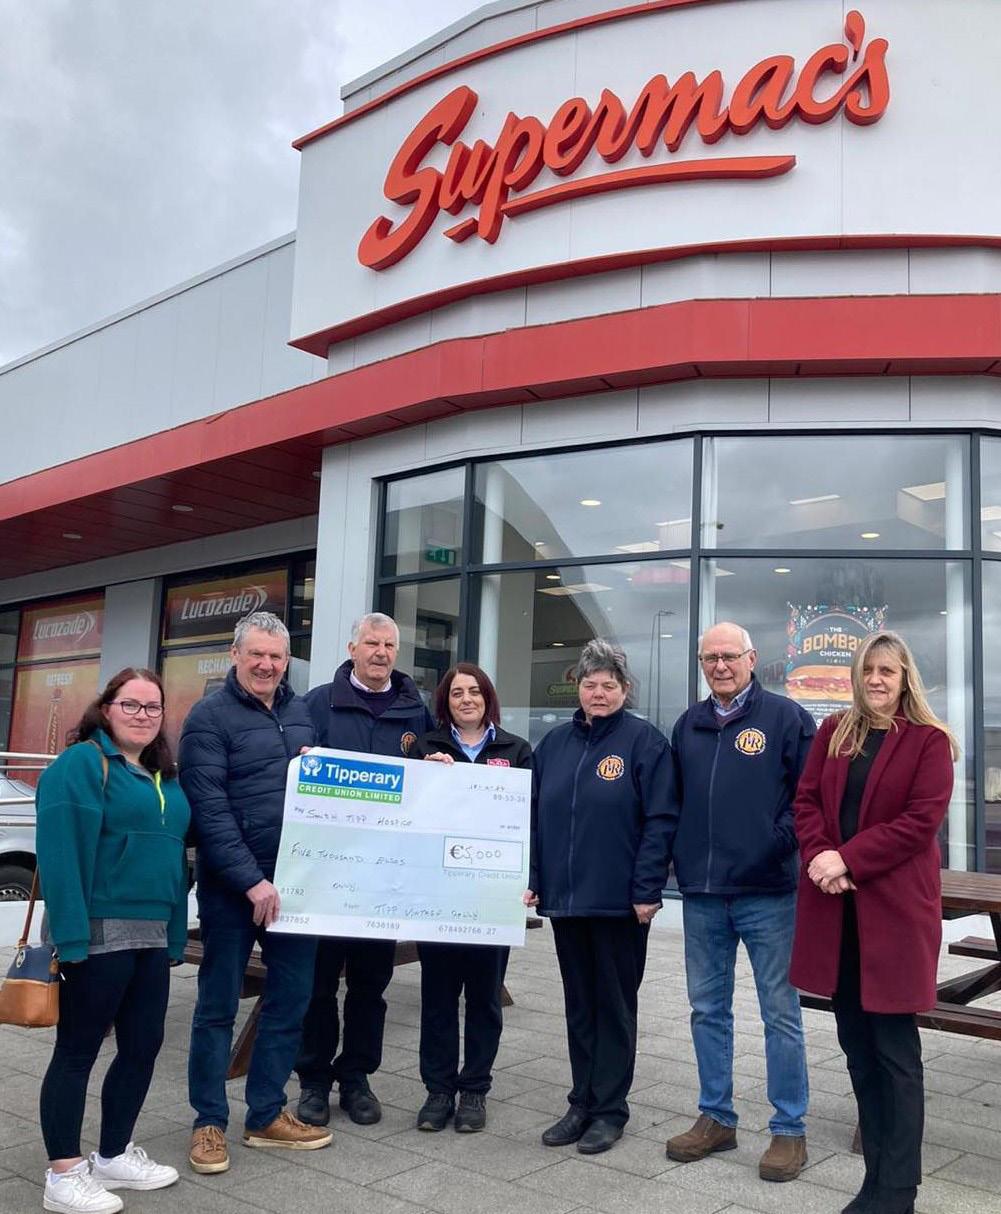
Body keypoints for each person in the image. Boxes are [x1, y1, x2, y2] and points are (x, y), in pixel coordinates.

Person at [790, 631, 956, 1214]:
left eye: (888, 670)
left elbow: (919, 822)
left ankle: (899, 1191)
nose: (877, 680)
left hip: (893, 919)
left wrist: (848, 859)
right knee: (857, 1049)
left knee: (895, 1055)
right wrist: (820, 857)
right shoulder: (835, 732)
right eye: (868, 670)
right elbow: (806, 802)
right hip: (838, 916)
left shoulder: (930, 742)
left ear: (906, 677)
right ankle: (875, 1182)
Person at [666, 622, 815, 1183]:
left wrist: (771, 844)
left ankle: (789, 1129)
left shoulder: (786, 719)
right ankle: (717, 1117)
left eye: (730, 656)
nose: (720, 666)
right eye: (710, 658)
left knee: (780, 1013)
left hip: (768, 892)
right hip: (704, 895)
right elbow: (673, 801)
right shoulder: (688, 724)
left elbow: (808, 800)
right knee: (707, 1010)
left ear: (752, 659)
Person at [181, 611, 328, 1176]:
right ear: (235, 656)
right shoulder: (207, 717)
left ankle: (266, 1113)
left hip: (295, 886)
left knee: (291, 1001)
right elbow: (209, 810)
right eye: (257, 654)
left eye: (276, 656)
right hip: (232, 889)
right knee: (217, 1007)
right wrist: (251, 880)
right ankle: (209, 1122)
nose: (266, 665)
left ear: (287, 660)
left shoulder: (302, 713)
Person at [36, 668, 189, 1214]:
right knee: (77, 1051)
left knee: (143, 1046)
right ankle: (63, 1174)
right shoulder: (82, 763)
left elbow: (173, 856)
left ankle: (114, 1154)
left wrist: (175, 932)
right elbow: (60, 855)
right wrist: (71, 937)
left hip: (151, 936)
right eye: (131, 704)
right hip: (98, 933)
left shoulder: (162, 774)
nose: (143, 715)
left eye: (153, 707)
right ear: (106, 708)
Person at [524, 639, 675, 1155]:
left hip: (619, 904)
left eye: (609, 685)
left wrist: (647, 889)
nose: (599, 693)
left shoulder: (644, 743)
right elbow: (535, 817)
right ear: (579, 689)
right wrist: (536, 877)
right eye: (590, 685)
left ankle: (610, 1110)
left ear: (625, 690)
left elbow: (660, 821)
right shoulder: (554, 745)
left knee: (613, 1008)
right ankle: (581, 1103)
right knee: (579, 1007)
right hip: (568, 902)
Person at [295, 612, 434, 1127]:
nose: (381, 653)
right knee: (318, 985)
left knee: (370, 986)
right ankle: (313, 1080)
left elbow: (431, 784)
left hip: (383, 878)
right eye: (372, 643)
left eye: (389, 645)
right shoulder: (317, 705)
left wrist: (440, 768)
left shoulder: (416, 711)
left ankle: (356, 1077)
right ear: (352, 648)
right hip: (326, 875)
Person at [409, 663, 533, 1133]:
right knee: (438, 998)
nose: (467, 700)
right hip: (438, 895)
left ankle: (475, 1089)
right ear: (445, 701)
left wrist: (531, 879)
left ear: (487, 698)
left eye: (475, 692)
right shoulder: (426, 747)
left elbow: (531, 820)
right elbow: (408, 817)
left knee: (484, 999)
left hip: (492, 898)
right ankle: (438, 1090)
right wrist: (424, 778)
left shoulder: (516, 750)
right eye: (457, 693)